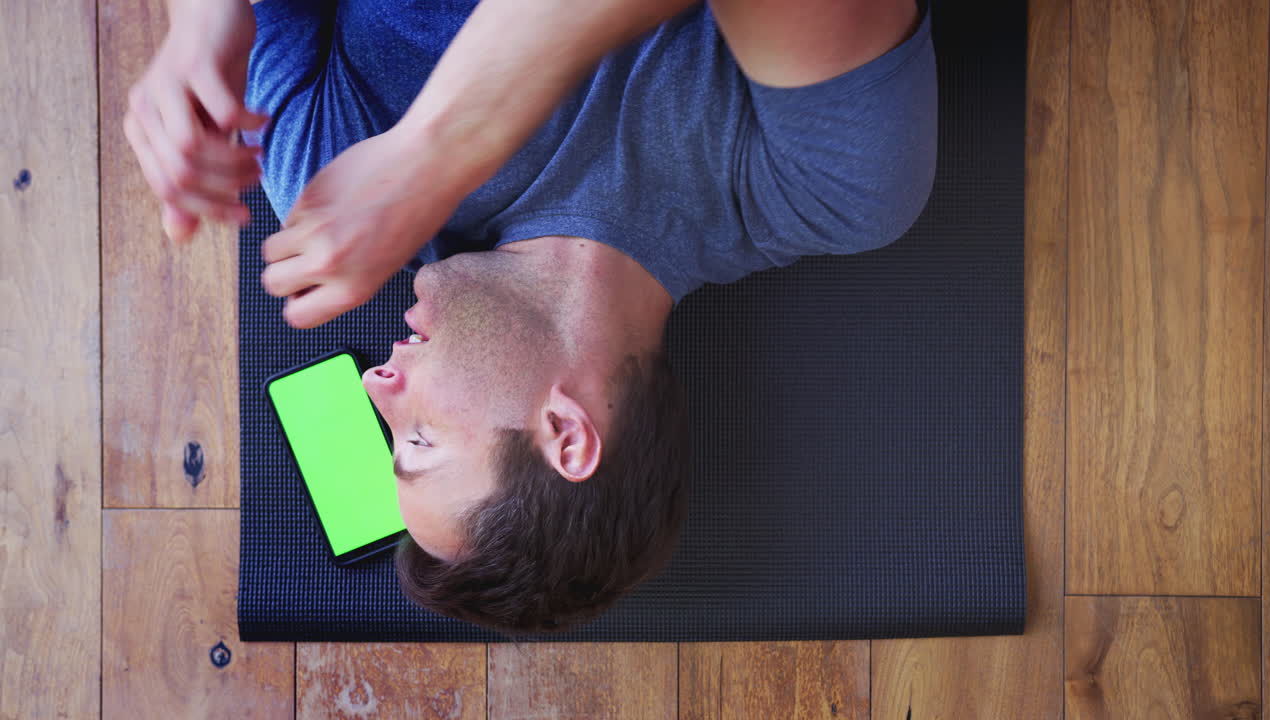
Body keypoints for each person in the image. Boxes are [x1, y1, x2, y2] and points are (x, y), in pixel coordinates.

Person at [124, 0, 937, 635]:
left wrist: (203, 21)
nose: (377, 384)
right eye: (418, 441)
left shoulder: (331, 187)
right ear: (567, 434)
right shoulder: (826, 193)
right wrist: (439, 148)